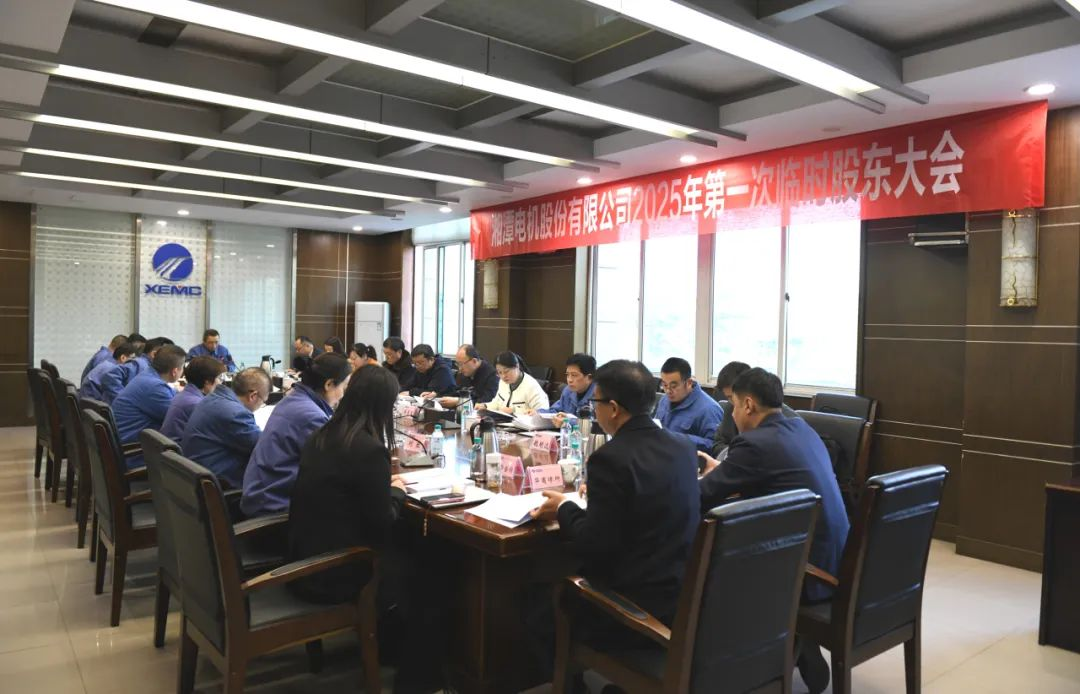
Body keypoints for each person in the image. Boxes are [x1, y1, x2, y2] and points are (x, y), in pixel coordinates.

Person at [528, 359, 700, 682]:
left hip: (634, 608)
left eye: (596, 403)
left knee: (540, 603)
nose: (595, 410)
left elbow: (593, 544)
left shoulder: (610, 458)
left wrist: (564, 507)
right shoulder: (682, 447)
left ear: (614, 408)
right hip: (681, 598)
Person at [287, 364, 445, 693]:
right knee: (433, 571)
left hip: (305, 556)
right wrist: (397, 491)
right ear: (382, 406)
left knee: (416, 554)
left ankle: (389, 644)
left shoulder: (324, 434)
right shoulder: (368, 449)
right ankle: (418, 680)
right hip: (336, 571)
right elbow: (383, 521)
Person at [697, 367, 849, 693]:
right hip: (836, 562)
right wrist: (726, 472)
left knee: (705, 562)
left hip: (805, 572)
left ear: (748, 404)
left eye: (734, 406)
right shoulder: (802, 429)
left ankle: (723, 665)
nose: (732, 415)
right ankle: (797, 643)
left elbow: (700, 496)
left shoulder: (754, 444)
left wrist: (702, 478)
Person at [241, 353, 352, 518]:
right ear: (329, 384)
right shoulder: (311, 416)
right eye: (344, 387)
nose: (343, 395)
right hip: (275, 509)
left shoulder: (293, 399)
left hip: (261, 497)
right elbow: (334, 468)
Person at [181, 368, 270, 490]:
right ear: (253, 396)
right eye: (263, 402)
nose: (261, 405)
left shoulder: (213, 398)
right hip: (216, 486)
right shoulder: (235, 414)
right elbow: (264, 447)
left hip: (195, 476)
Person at [112, 344, 186, 469]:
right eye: (182, 368)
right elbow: (178, 420)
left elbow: (170, 395)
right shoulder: (155, 388)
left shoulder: (147, 376)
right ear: (174, 371)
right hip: (134, 455)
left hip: (125, 446)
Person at [711, 360, 799, 457]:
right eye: (729, 398)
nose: (733, 402)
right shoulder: (730, 408)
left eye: (734, 397)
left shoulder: (788, 421)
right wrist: (735, 454)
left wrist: (741, 454)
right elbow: (717, 443)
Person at [654, 356, 723, 452]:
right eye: (665, 385)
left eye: (673, 386)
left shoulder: (710, 409)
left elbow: (715, 446)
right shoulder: (664, 400)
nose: (668, 391)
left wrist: (681, 439)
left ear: (689, 382)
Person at [160, 356, 227, 443]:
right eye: (219, 378)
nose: (221, 382)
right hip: (180, 449)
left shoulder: (185, 394)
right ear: (207, 382)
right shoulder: (196, 404)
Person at [100, 336, 173, 403]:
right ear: (154, 354)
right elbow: (109, 377)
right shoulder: (140, 364)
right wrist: (125, 399)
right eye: (169, 357)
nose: (173, 361)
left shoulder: (147, 365)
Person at [476, 351, 550, 414]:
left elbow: (542, 412)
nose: (503, 376)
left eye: (506, 371)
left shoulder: (531, 386)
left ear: (517, 366)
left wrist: (514, 411)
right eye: (499, 372)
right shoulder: (502, 382)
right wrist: (485, 406)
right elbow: (497, 402)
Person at [535, 353, 596, 426]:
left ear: (589, 377)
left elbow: (595, 424)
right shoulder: (568, 391)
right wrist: (538, 412)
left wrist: (568, 422)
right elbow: (555, 411)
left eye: (574, 375)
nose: (569, 380)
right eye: (567, 375)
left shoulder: (600, 395)